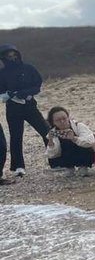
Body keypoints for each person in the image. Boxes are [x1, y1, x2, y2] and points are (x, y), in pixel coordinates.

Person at [0, 44, 49, 176]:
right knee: (16, 136)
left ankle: (55, 159)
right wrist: (9, 94)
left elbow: (37, 85)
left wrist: (24, 93)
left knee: (46, 131)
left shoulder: (28, 68)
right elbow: (1, 91)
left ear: (18, 54)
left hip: (29, 105)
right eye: (8, 56)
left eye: (13, 55)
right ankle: (18, 167)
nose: (12, 58)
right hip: (12, 107)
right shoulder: (2, 73)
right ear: (3, 58)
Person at [44, 106, 95, 177]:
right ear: (53, 122)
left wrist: (74, 139)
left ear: (68, 117)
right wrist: (50, 141)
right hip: (66, 155)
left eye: (64, 118)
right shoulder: (53, 133)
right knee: (62, 148)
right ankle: (69, 167)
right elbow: (52, 154)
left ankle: (83, 166)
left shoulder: (79, 126)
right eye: (58, 120)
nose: (62, 122)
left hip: (81, 151)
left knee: (84, 146)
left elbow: (90, 142)